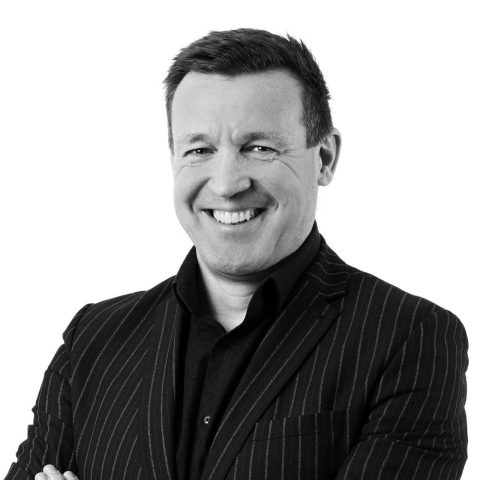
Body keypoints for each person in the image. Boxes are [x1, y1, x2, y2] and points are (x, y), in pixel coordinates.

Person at [5, 28, 468, 480]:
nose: (227, 183)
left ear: (324, 157)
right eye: (199, 149)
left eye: (259, 147)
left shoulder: (410, 337)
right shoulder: (94, 339)